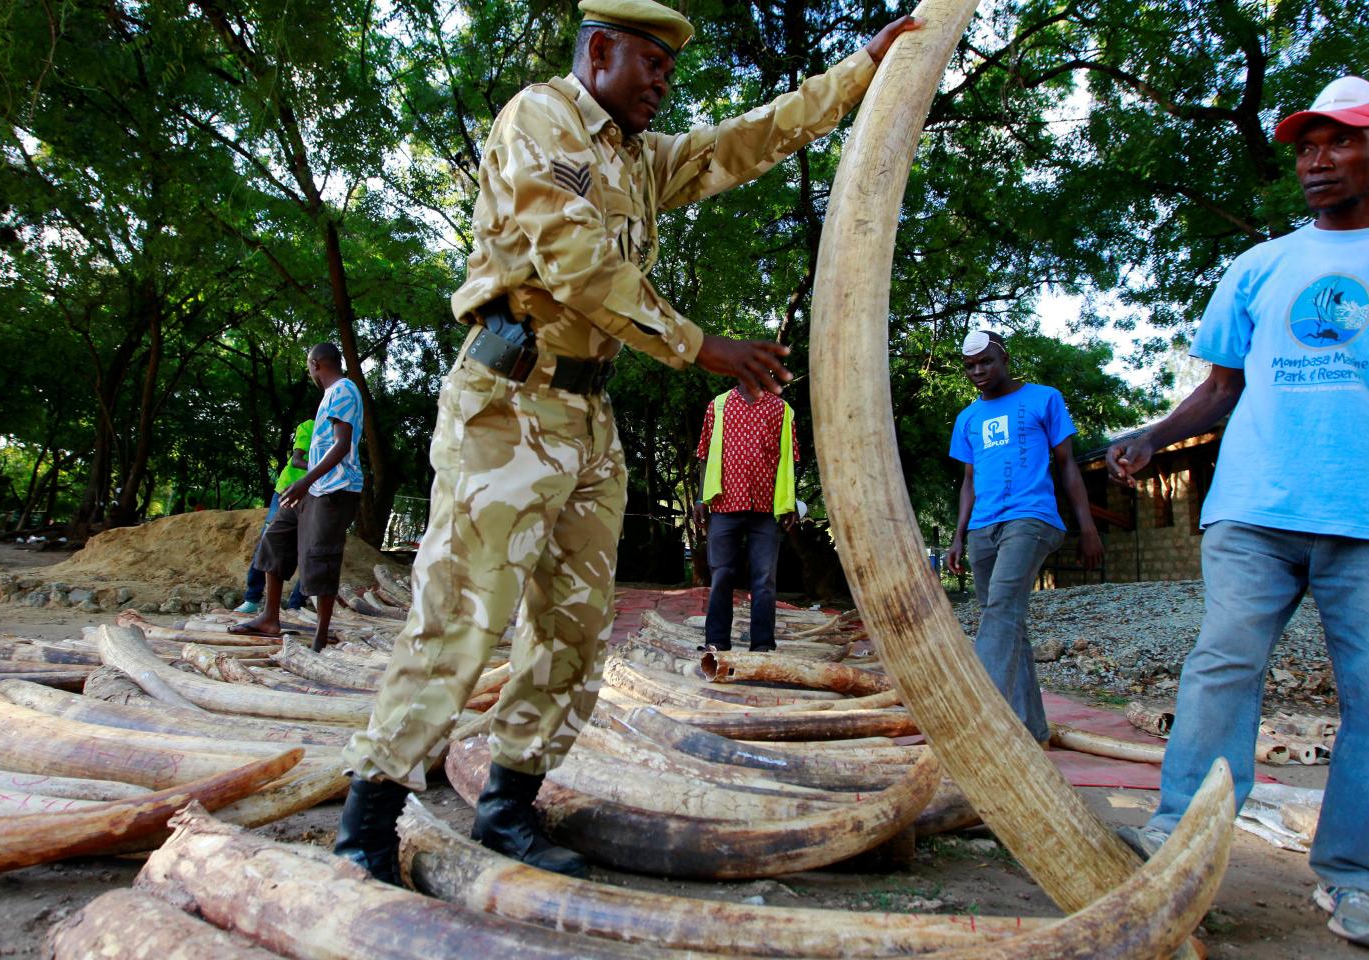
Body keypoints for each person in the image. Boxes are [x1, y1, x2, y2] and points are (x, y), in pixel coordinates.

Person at [329, 0, 925, 887]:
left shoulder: (638, 158)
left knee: (572, 633)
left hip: (586, 420)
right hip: (509, 406)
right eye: (650, 63)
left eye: (669, 72)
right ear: (600, 50)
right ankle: (366, 828)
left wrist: (859, 71)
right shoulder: (542, 118)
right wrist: (702, 347)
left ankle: (508, 810)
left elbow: (745, 140)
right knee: (461, 616)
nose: (662, 83)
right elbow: (574, 260)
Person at [1109, 77, 1369, 956]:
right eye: (1305, 145)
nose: (1316, 159)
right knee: (1221, 667)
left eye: (1340, 141)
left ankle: (1359, 879)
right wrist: (1152, 434)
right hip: (1254, 506)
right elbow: (1220, 387)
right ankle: (1181, 838)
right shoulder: (1259, 266)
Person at [942, 330, 1103, 743]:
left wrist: (1087, 527)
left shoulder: (1044, 398)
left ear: (1004, 358)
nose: (978, 371)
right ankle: (1033, 729)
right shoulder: (967, 418)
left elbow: (1068, 465)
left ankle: (979, 718)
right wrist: (958, 536)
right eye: (971, 366)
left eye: (986, 362)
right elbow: (969, 481)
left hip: (1031, 518)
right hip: (982, 527)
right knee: (1007, 620)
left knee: (999, 611)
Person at [229, 345, 363, 652]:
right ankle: (269, 617)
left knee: (320, 556)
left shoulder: (343, 390)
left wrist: (305, 480)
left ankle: (319, 636)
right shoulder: (330, 395)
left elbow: (342, 445)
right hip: (313, 488)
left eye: (308, 367)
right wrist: (306, 484)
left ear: (315, 364)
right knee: (275, 540)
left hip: (333, 489)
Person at [695, 384, 801, 652]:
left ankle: (762, 646)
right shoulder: (718, 405)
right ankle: (716, 642)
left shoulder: (782, 410)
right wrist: (700, 499)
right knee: (721, 576)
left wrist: (789, 504)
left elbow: (788, 460)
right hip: (723, 504)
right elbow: (705, 455)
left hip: (766, 509)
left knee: (764, 580)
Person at [235, 418, 315, 614]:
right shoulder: (309, 426)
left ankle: (296, 605)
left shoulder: (345, 431)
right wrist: (329, 467)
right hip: (287, 492)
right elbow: (297, 460)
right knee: (268, 541)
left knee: (310, 550)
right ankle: (252, 598)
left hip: (316, 496)